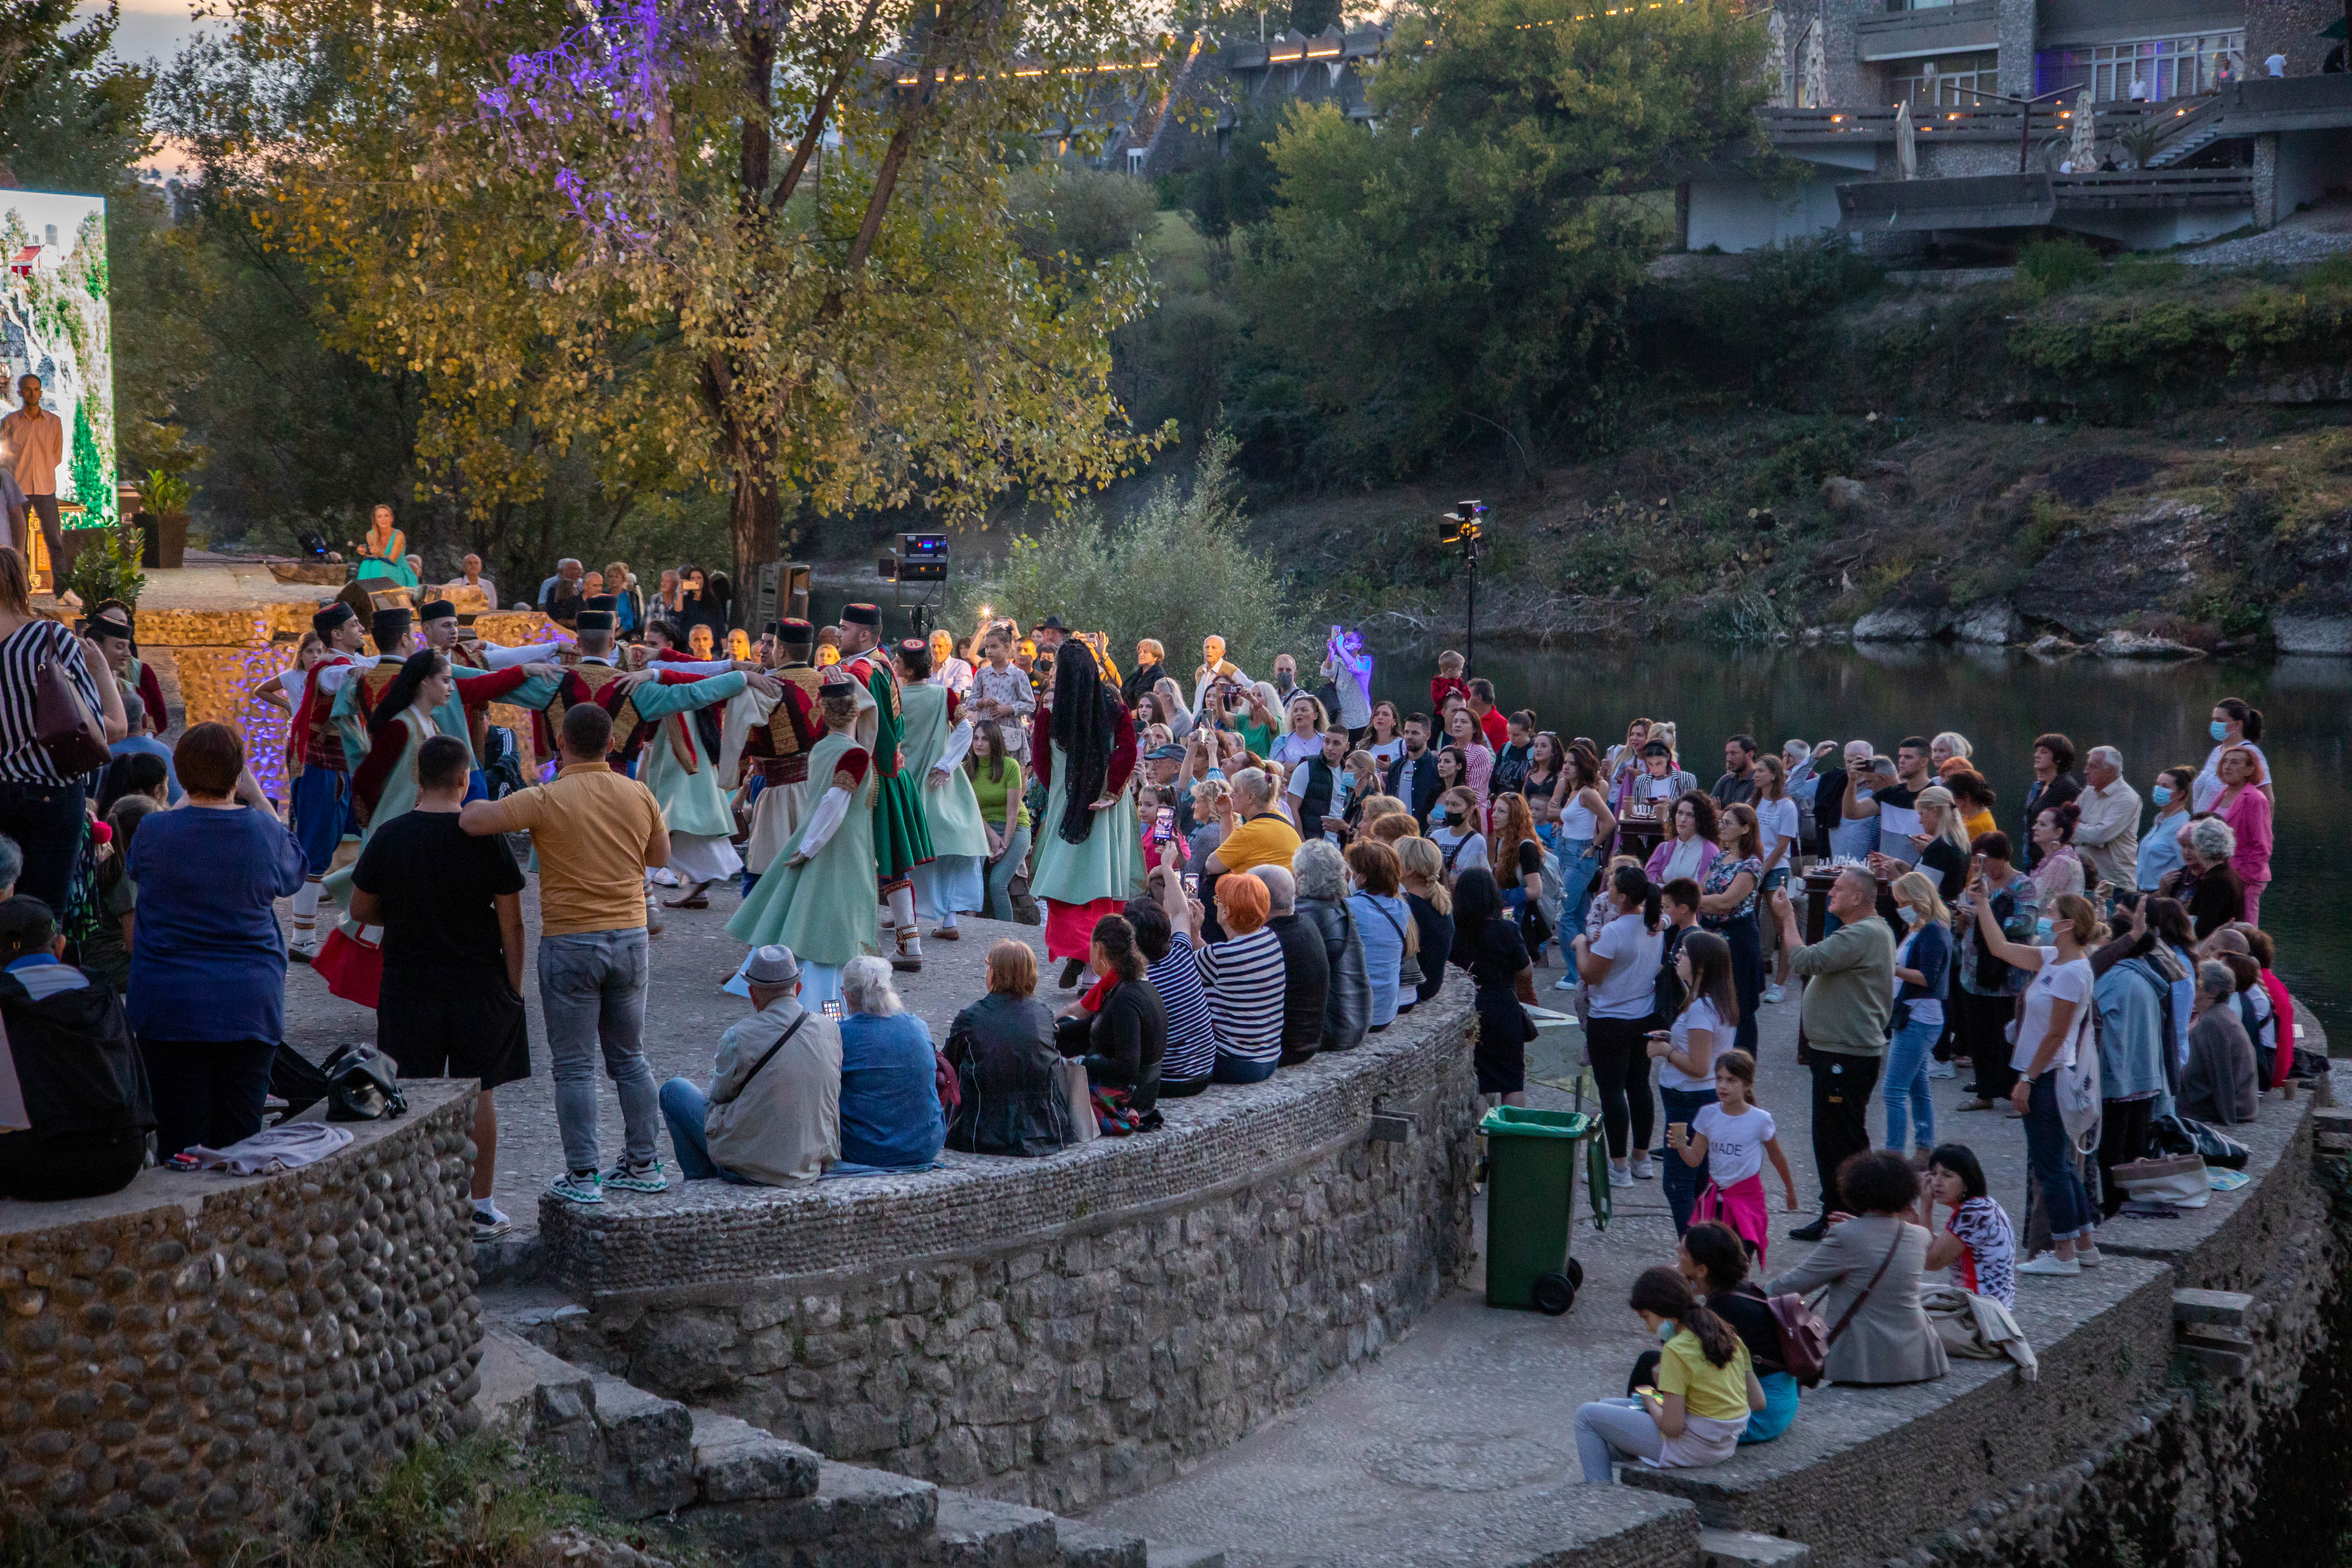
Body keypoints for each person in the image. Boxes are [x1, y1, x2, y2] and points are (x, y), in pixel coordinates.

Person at [460, 701, 673, 1203]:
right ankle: (644, 1165)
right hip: (630, 937)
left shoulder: (546, 798)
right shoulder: (639, 793)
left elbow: (474, 822)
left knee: (575, 1066)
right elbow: (660, 857)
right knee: (631, 1058)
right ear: (612, 744)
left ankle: (583, 1175)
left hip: (571, 938)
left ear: (561, 743)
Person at [348, 734, 530, 1237]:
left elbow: (360, 909)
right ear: (463, 778)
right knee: (480, 1093)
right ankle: (482, 1204)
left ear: (417, 778)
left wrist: (404, 913)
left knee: (408, 1092)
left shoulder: (391, 835)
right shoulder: (484, 835)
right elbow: (512, 924)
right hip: (477, 979)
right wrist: (513, 989)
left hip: (409, 983)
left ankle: (411, 1203)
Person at [126, 723, 305, 1158]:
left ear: (180, 774)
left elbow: (139, 868)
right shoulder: (264, 832)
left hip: (171, 1003)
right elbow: (295, 870)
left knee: (180, 1141)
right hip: (248, 1000)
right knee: (242, 1139)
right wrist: (259, 796)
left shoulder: (152, 832)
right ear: (238, 773)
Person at [1968, 886, 2100, 1275]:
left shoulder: (2072, 972)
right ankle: (2086, 1244)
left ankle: (2063, 1253)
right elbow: (1999, 948)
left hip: (2048, 1075)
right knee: (2059, 1163)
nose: (2044, 914)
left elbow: (2057, 1035)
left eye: (2051, 910)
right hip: (2046, 1073)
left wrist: (2027, 1078)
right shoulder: (2053, 961)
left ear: (2067, 924)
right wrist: (1980, 905)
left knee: (2050, 1167)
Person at [0, 896, 152, 1200]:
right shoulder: (99, 989)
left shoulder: (7, 997)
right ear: (59, 946)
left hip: (34, 1166)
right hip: (122, 1158)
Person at [1772, 866, 1894, 1239]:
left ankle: (1848, 1216)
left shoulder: (1863, 933)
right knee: (1834, 1138)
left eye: (1838, 890)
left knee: (1842, 1140)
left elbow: (1805, 961)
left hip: (1847, 1054)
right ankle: (1838, 1213)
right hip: (1840, 1051)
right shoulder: (1869, 931)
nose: (1831, 895)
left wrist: (1789, 918)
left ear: (1859, 897)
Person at [0, 549, 125, 911]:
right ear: (22, 585)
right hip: (51, 794)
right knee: (44, 913)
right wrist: (101, 671)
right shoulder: (49, 639)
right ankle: (41, 966)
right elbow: (105, 730)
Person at [660, 944, 841, 1182]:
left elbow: (719, 1094)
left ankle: (701, 1183)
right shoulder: (831, 1029)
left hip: (752, 1164)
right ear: (798, 988)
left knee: (673, 1091)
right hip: (810, 1163)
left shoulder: (738, 1036)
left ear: (753, 994)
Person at [1768, 1150, 1949, 1385]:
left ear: (1855, 1190)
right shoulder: (1920, 1236)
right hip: (1917, 1357)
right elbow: (1882, 1242)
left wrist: (1749, 1294)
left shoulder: (1845, 1236)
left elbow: (1791, 1286)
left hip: (1863, 1360)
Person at [1572, 1266, 1763, 1483]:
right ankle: (1608, 1476)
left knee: (1586, 1416)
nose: (1648, 1329)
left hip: (1693, 1447)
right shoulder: (1727, 1335)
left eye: (1646, 1318)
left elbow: (1672, 1428)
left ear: (1662, 1309)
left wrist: (1651, 1399)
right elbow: (1758, 1401)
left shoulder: (1676, 1349)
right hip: (1724, 1443)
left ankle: (1601, 1495)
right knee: (1607, 1406)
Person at [1029, 638, 1140, 989]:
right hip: (1108, 808)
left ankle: (1081, 955)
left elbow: (1043, 766)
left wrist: (1065, 792)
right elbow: (1128, 748)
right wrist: (1111, 788)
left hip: (1070, 804)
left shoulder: (1050, 714)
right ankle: (1094, 965)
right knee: (1102, 882)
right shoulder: (1114, 706)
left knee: (1068, 882)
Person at [894, 639, 990, 942]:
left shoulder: (894, 697)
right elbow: (965, 728)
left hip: (907, 779)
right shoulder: (943, 695)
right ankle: (948, 920)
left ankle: (905, 917)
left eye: (897, 661)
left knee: (907, 851)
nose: (894, 665)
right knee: (948, 851)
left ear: (907, 669)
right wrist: (947, 764)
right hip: (939, 781)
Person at [1668, 1048, 1800, 1264]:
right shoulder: (1708, 1115)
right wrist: (1681, 1145)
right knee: (1712, 1264)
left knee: (1739, 1264)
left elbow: (1777, 1157)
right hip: (1715, 1202)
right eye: (1719, 1078)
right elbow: (1694, 1160)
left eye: (1731, 1080)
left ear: (1747, 1085)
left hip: (1747, 1203)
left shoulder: (1760, 1120)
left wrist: (1790, 1192)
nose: (1723, 1086)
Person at [943, 939, 1075, 1154]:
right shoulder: (1044, 1014)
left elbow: (948, 1066)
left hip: (981, 1131)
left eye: (988, 966)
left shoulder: (971, 1018)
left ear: (995, 972)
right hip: (1046, 1130)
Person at [1575, 863, 1664, 1180]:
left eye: (1612, 886)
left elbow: (1590, 974)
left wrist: (1581, 945)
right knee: (1640, 1086)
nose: (1607, 889)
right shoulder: (1653, 924)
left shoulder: (1614, 931)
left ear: (1623, 897)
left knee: (1612, 1091)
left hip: (1610, 1019)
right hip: (1644, 1016)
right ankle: (1641, 1159)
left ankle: (1618, 1167)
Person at [1672, 1222, 1800, 1443]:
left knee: (1652, 1371)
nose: (1677, 1253)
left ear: (1702, 1270)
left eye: (1683, 1251)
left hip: (1759, 1417)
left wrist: (1676, 1301)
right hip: (1781, 1406)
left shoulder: (1718, 1312)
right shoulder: (1745, 1291)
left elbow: (1682, 1368)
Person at [1646, 929, 1731, 1236]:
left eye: (1683, 953)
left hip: (1687, 1107)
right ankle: (1703, 1251)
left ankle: (1694, 1254)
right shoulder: (1714, 1003)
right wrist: (1674, 1041)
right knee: (1697, 1182)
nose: (1677, 957)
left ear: (1701, 967)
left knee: (1678, 1184)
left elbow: (1698, 1066)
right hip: (1700, 1102)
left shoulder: (1699, 1009)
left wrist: (1666, 1052)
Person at [2091, 913, 2174, 1218]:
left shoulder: (2112, 980)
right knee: (2134, 1148)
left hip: (2118, 1076)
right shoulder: (2146, 977)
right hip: (2146, 1075)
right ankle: (2129, 1203)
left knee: (2111, 1150)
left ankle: (2114, 1207)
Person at [1953, 832, 2039, 1113]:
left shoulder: (2023, 885)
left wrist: (1984, 915)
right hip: (1975, 973)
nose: (1983, 866)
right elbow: (1967, 930)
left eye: (1986, 860)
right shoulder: (1980, 884)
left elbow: (2026, 925)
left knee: (2011, 1039)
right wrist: (1964, 921)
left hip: (2009, 976)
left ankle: (2016, 1096)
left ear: (2003, 857)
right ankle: (1984, 1092)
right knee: (1980, 1037)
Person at [834, 956, 946, 1167]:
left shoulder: (841, 1035)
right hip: (926, 1146)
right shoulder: (918, 1026)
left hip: (866, 1150)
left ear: (848, 996)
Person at [1061, 915, 1166, 1116]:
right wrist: (1057, 1029)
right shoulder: (1131, 984)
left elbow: (1127, 1068)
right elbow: (1099, 1024)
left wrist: (1081, 1062)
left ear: (1098, 949)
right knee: (1065, 1030)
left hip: (1131, 1096)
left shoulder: (1127, 999)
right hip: (1143, 1087)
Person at [1883, 870, 1953, 1164]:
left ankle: (1894, 1157)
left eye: (1903, 901)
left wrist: (1891, 968)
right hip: (1916, 1016)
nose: (1899, 908)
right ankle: (1924, 1147)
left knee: (1893, 1091)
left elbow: (1928, 977)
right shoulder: (1920, 928)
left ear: (1918, 899)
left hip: (1919, 1018)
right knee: (1917, 1087)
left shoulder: (1933, 932)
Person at [1133, 865, 1219, 1097]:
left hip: (1170, 1080)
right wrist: (1168, 864)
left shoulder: (1138, 981)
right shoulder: (1182, 950)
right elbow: (1181, 912)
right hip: (1205, 1072)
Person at [1197, 870, 1284, 1083]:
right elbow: (1214, 961)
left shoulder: (1221, 956)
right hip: (1269, 1058)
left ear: (1226, 912)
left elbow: (1181, 970)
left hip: (1235, 1063)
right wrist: (1195, 933)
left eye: (1218, 901)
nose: (1214, 904)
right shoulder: (1270, 939)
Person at [1697, 803, 1764, 1056]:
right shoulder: (1719, 857)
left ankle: (1743, 1071)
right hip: (1711, 935)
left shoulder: (1752, 865)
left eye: (1728, 823)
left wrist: (1690, 901)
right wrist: (1695, 898)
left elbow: (1727, 901)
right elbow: (1701, 890)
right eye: (1721, 822)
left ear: (1746, 829)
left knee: (1740, 1007)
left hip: (1738, 940)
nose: (1722, 827)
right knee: (1710, 1002)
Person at [1294, 839, 1371, 1054]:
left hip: (1333, 1032)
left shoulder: (1305, 916)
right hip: (1358, 1022)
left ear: (1299, 876)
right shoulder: (1343, 906)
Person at [1920, 1144, 2016, 1309]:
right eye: (1934, 1174)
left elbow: (1931, 1262)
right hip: (1994, 1306)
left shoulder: (1972, 1213)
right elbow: (1944, 1246)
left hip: (1978, 1310)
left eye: (1947, 1176)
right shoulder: (1985, 1205)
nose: (1936, 1182)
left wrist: (1925, 1208)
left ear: (1966, 1183)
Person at [0, 377, 71, 594]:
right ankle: (21, 586)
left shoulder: (53, 422)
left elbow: (56, 456)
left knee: (55, 540)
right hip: (18, 489)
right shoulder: (10, 422)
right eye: (28, 390)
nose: (33, 393)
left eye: (37, 390)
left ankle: (63, 589)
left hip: (45, 488)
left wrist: (42, 469)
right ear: (20, 393)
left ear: (41, 393)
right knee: (17, 542)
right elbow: (4, 456)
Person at [1254, 864, 1329, 1066]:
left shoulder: (1270, 940)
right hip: (1307, 1043)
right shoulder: (1307, 924)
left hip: (1283, 1049)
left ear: (1261, 900)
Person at [2181, 959, 2258, 1125]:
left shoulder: (2212, 1023)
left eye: (2197, 984)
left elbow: (2213, 1076)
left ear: (2213, 992)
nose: (2191, 987)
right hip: (2243, 1106)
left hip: (2233, 1109)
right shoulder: (2222, 1015)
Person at [1347, 840, 1411, 1029]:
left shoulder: (1350, 908)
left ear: (1363, 878)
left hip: (1359, 1014)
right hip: (1386, 1012)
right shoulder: (1402, 908)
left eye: (1352, 870)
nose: (1349, 876)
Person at [2206, 746, 2272, 924]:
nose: (2227, 767)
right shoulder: (2224, 794)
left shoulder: (2255, 799)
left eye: (2235, 763)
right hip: (2223, 876)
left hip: (2245, 879)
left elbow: (2263, 847)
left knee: (2244, 931)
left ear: (2250, 770)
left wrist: (2241, 879)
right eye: (2225, 762)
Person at [2162, 816, 2246, 940]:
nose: (2188, 852)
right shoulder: (2230, 875)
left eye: (2193, 846)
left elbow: (2202, 930)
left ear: (2202, 847)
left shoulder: (2216, 881)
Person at [1395, 836, 1455, 1009]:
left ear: (1409, 869)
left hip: (1414, 992)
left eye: (1395, 858)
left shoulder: (1408, 907)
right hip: (1431, 987)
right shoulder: (1440, 902)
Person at [2071, 747, 2141, 889]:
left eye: (2093, 767)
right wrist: (2082, 831)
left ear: (2110, 771)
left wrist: (2073, 830)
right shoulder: (2090, 790)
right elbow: (2066, 821)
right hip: (2084, 881)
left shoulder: (2127, 798)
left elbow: (2100, 835)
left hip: (2115, 886)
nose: (2086, 771)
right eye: (2088, 765)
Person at [2019, 734, 2082, 872]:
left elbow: (2069, 827)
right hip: (2033, 861)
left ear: (2059, 759)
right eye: (2037, 751)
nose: (2037, 755)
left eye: (2044, 752)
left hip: (2052, 864)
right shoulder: (2039, 787)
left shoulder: (2067, 788)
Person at [2192, 699, 2269, 811]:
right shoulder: (2216, 752)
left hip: (2228, 827)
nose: (2214, 724)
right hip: (2202, 826)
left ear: (2238, 724)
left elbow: (2267, 800)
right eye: (2213, 720)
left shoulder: (2250, 752)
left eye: (2220, 720)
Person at [2136, 764, 2195, 892]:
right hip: (2144, 892)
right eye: (2158, 785)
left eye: (2166, 787)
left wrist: (2164, 891)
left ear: (2181, 794)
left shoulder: (2183, 825)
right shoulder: (2159, 819)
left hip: (2163, 895)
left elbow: (2186, 867)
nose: (2158, 790)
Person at [1646, 793, 1720, 887]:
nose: (1683, 819)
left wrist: (1662, 887)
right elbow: (1649, 883)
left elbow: (1699, 891)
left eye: (1690, 815)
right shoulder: (1664, 848)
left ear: (1700, 820)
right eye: (1680, 813)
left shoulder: (1710, 851)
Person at [1384, 714, 1443, 826]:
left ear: (1428, 736)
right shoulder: (1396, 767)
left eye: (1415, 733)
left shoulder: (1438, 766)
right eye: (1407, 732)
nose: (1409, 737)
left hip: (1425, 833)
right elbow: (1389, 802)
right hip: (1398, 830)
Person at [2026, 803, 2086, 905]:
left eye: (2043, 825)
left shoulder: (2061, 862)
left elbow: (2043, 903)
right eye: (2037, 823)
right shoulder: (2055, 858)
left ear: (2058, 833)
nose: (2035, 828)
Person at [352, 504, 420, 590]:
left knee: (377, 565)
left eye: (386, 516)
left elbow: (392, 561)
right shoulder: (370, 535)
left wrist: (380, 553)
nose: (383, 519)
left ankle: (379, 595)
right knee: (365, 565)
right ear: (376, 520)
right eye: (380, 517)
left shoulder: (399, 535)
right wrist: (365, 553)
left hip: (399, 571)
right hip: (380, 568)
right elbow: (374, 556)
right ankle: (364, 595)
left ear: (392, 519)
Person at [1710, 735, 1758, 807]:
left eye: (1734, 753)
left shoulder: (1758, 783)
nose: (1728, 759)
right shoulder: (1725, 781)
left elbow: (1748, 815)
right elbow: (1709, 810)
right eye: (1727, 754)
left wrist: (1721, 814)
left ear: (1750, 755)